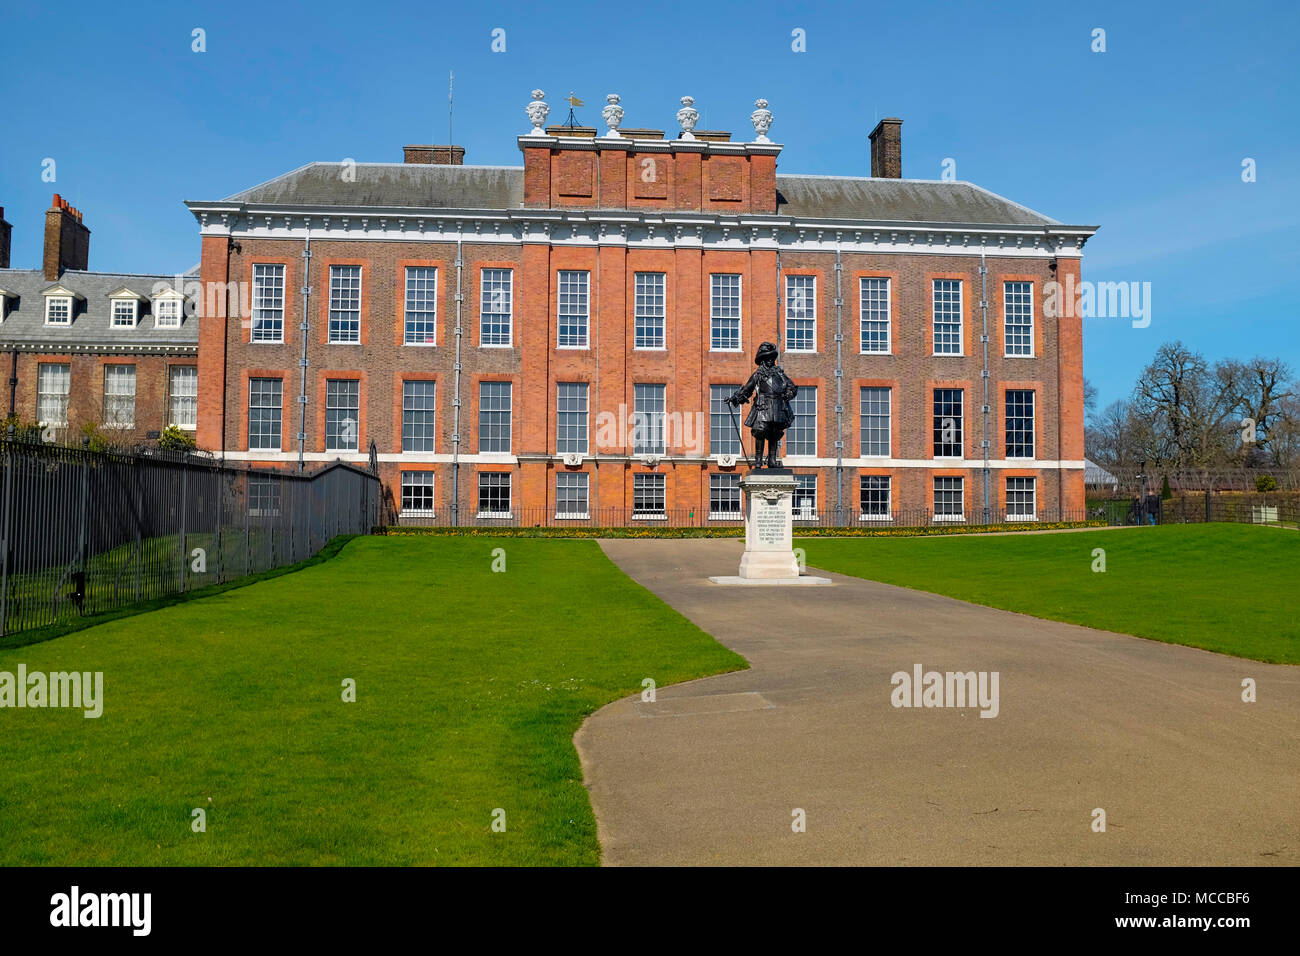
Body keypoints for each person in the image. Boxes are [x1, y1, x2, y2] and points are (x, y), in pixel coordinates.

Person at [727, 342, 798, 468]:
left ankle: (771, 460)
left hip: (778, 406)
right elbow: (747, 389)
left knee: (775, 433)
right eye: (767, 358)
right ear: (763, 360)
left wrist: (788, 394)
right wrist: (735, 398)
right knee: (760, 431)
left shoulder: (780, 374)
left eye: (771, 358)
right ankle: (758, 460)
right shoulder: (758, 374)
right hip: (763, 406)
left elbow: (791, 386)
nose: (770, 360)